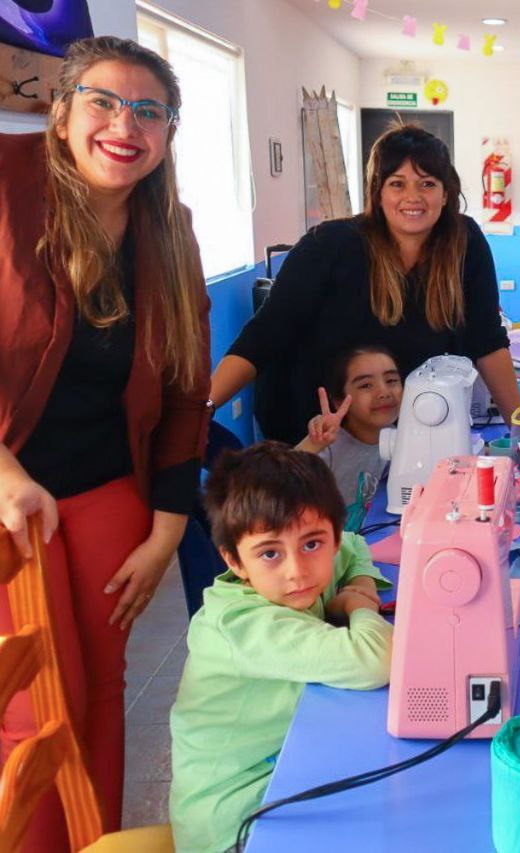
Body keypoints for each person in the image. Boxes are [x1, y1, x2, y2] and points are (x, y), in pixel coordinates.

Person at [0, 36, 210, 846]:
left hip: (107, 488)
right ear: (62, 113)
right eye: (104, 101)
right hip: (12, 484)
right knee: (34, 707)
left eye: (150, 111)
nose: (127, 124)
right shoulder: (10, 185)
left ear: (167, 134)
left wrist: (166, 529)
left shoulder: (168, 229)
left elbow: (188, 388)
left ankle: (100, 845)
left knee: (98, 691)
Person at [210, 123, 520, 443]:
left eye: (427, 183)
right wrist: (203, 409)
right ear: (378, 192)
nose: (412, 197)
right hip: (307, 434)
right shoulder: (329, 245)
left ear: (445, 194)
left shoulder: (464, 243)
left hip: (397, 432)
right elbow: (263, 337)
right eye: (397, 184)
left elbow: (487, 342)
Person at [169, 442, 392, 853]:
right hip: (238, 824)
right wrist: (361, 606)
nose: (297, 571)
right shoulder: (241, 624)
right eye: (270, 553)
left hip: (287, 775)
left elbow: (355, 546)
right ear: (234, 562)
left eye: (312, 544)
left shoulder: (310, 565)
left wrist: (358, 583)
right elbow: (377, 660)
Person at [296, 344, 403, 531]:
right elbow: (273, 484)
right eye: (366, 385)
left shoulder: (405, 435)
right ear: (338, 401)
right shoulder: (329, 449)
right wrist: (312, 445)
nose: (384, 392)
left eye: (392, 380)